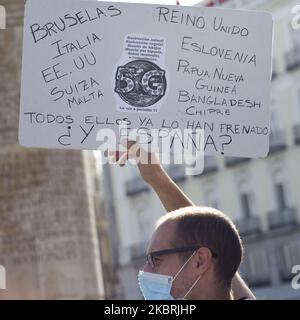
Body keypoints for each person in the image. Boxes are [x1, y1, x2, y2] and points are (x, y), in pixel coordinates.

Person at [108, 142, 255, 300]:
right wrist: (156, 178)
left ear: (199, 261)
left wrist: (158, 178)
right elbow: (207, 241)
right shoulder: (216, 268)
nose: (145, 272)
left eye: (156, 260)